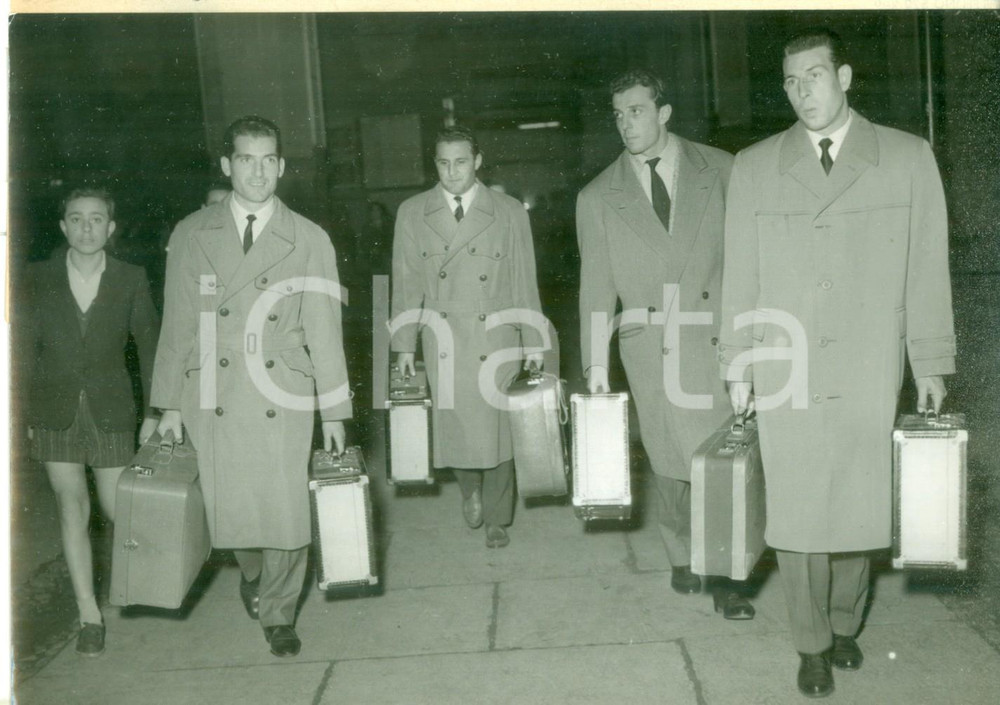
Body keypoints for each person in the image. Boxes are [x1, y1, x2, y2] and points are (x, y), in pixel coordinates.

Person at [718, 28, 955, 698]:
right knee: (794, 512)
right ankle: (811, 641)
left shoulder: (907, 159)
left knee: (858, 507)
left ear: (845, 77)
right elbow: (740, 277)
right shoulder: (755, 166)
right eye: (791, 82)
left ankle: (847, 618)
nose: (803, 94)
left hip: (868, 367)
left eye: (815, 77)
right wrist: (736, 361)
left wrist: (931, 361)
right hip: (784, 364)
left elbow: (926, 271)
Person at [149, 115, 352, 658]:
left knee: (284, 508)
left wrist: (335, 411)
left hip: (282, 389)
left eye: (268, 160)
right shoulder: (192, 233)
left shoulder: (308, 238)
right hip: (212, 390)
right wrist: (166, 403)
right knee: (232, 513)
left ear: (282, 166)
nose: (258, 172)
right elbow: (178, 323)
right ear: (226, 165)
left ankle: (280, 613)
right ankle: (254, 573)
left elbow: (324, 331)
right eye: (246, 159)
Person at [576, 68, 754, 620]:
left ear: (664, 111)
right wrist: (595, 362)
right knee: (670, 462)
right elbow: (596, 286)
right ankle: (681, 552)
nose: (626, 123)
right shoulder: (598, 195)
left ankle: (726, 576)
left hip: (714, 336)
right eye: (619, 113)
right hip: (648, 345)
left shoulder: (722, 170)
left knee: (720, 459)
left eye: (637, 110)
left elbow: (747, 262)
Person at [20, 187, 160, 656]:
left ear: (111, 227)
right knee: (70, 509)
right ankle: (88, 615)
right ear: (63, 227)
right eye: (76, 219)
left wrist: (157, 411)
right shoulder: (36, 277)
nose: (86, 228)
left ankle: (140, 586)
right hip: (53, 410)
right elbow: (19, 351)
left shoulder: (130, 277)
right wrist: (20, 414)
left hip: (111, 409)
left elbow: (149, 345)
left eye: (96, 219)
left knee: (121, 509)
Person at [391, 125, 544, 548]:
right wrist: (403, 343)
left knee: (499, 432)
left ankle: (497, 518)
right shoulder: (412, 212)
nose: (451, 172)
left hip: (495, 334)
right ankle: (469, 490)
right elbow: (405, 284)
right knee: (455, 428)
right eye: (443, 163)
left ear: (477, 161)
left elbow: (523, 281)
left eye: (460, 162)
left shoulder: (509, 210)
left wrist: (533, 341)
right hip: (443, 338)